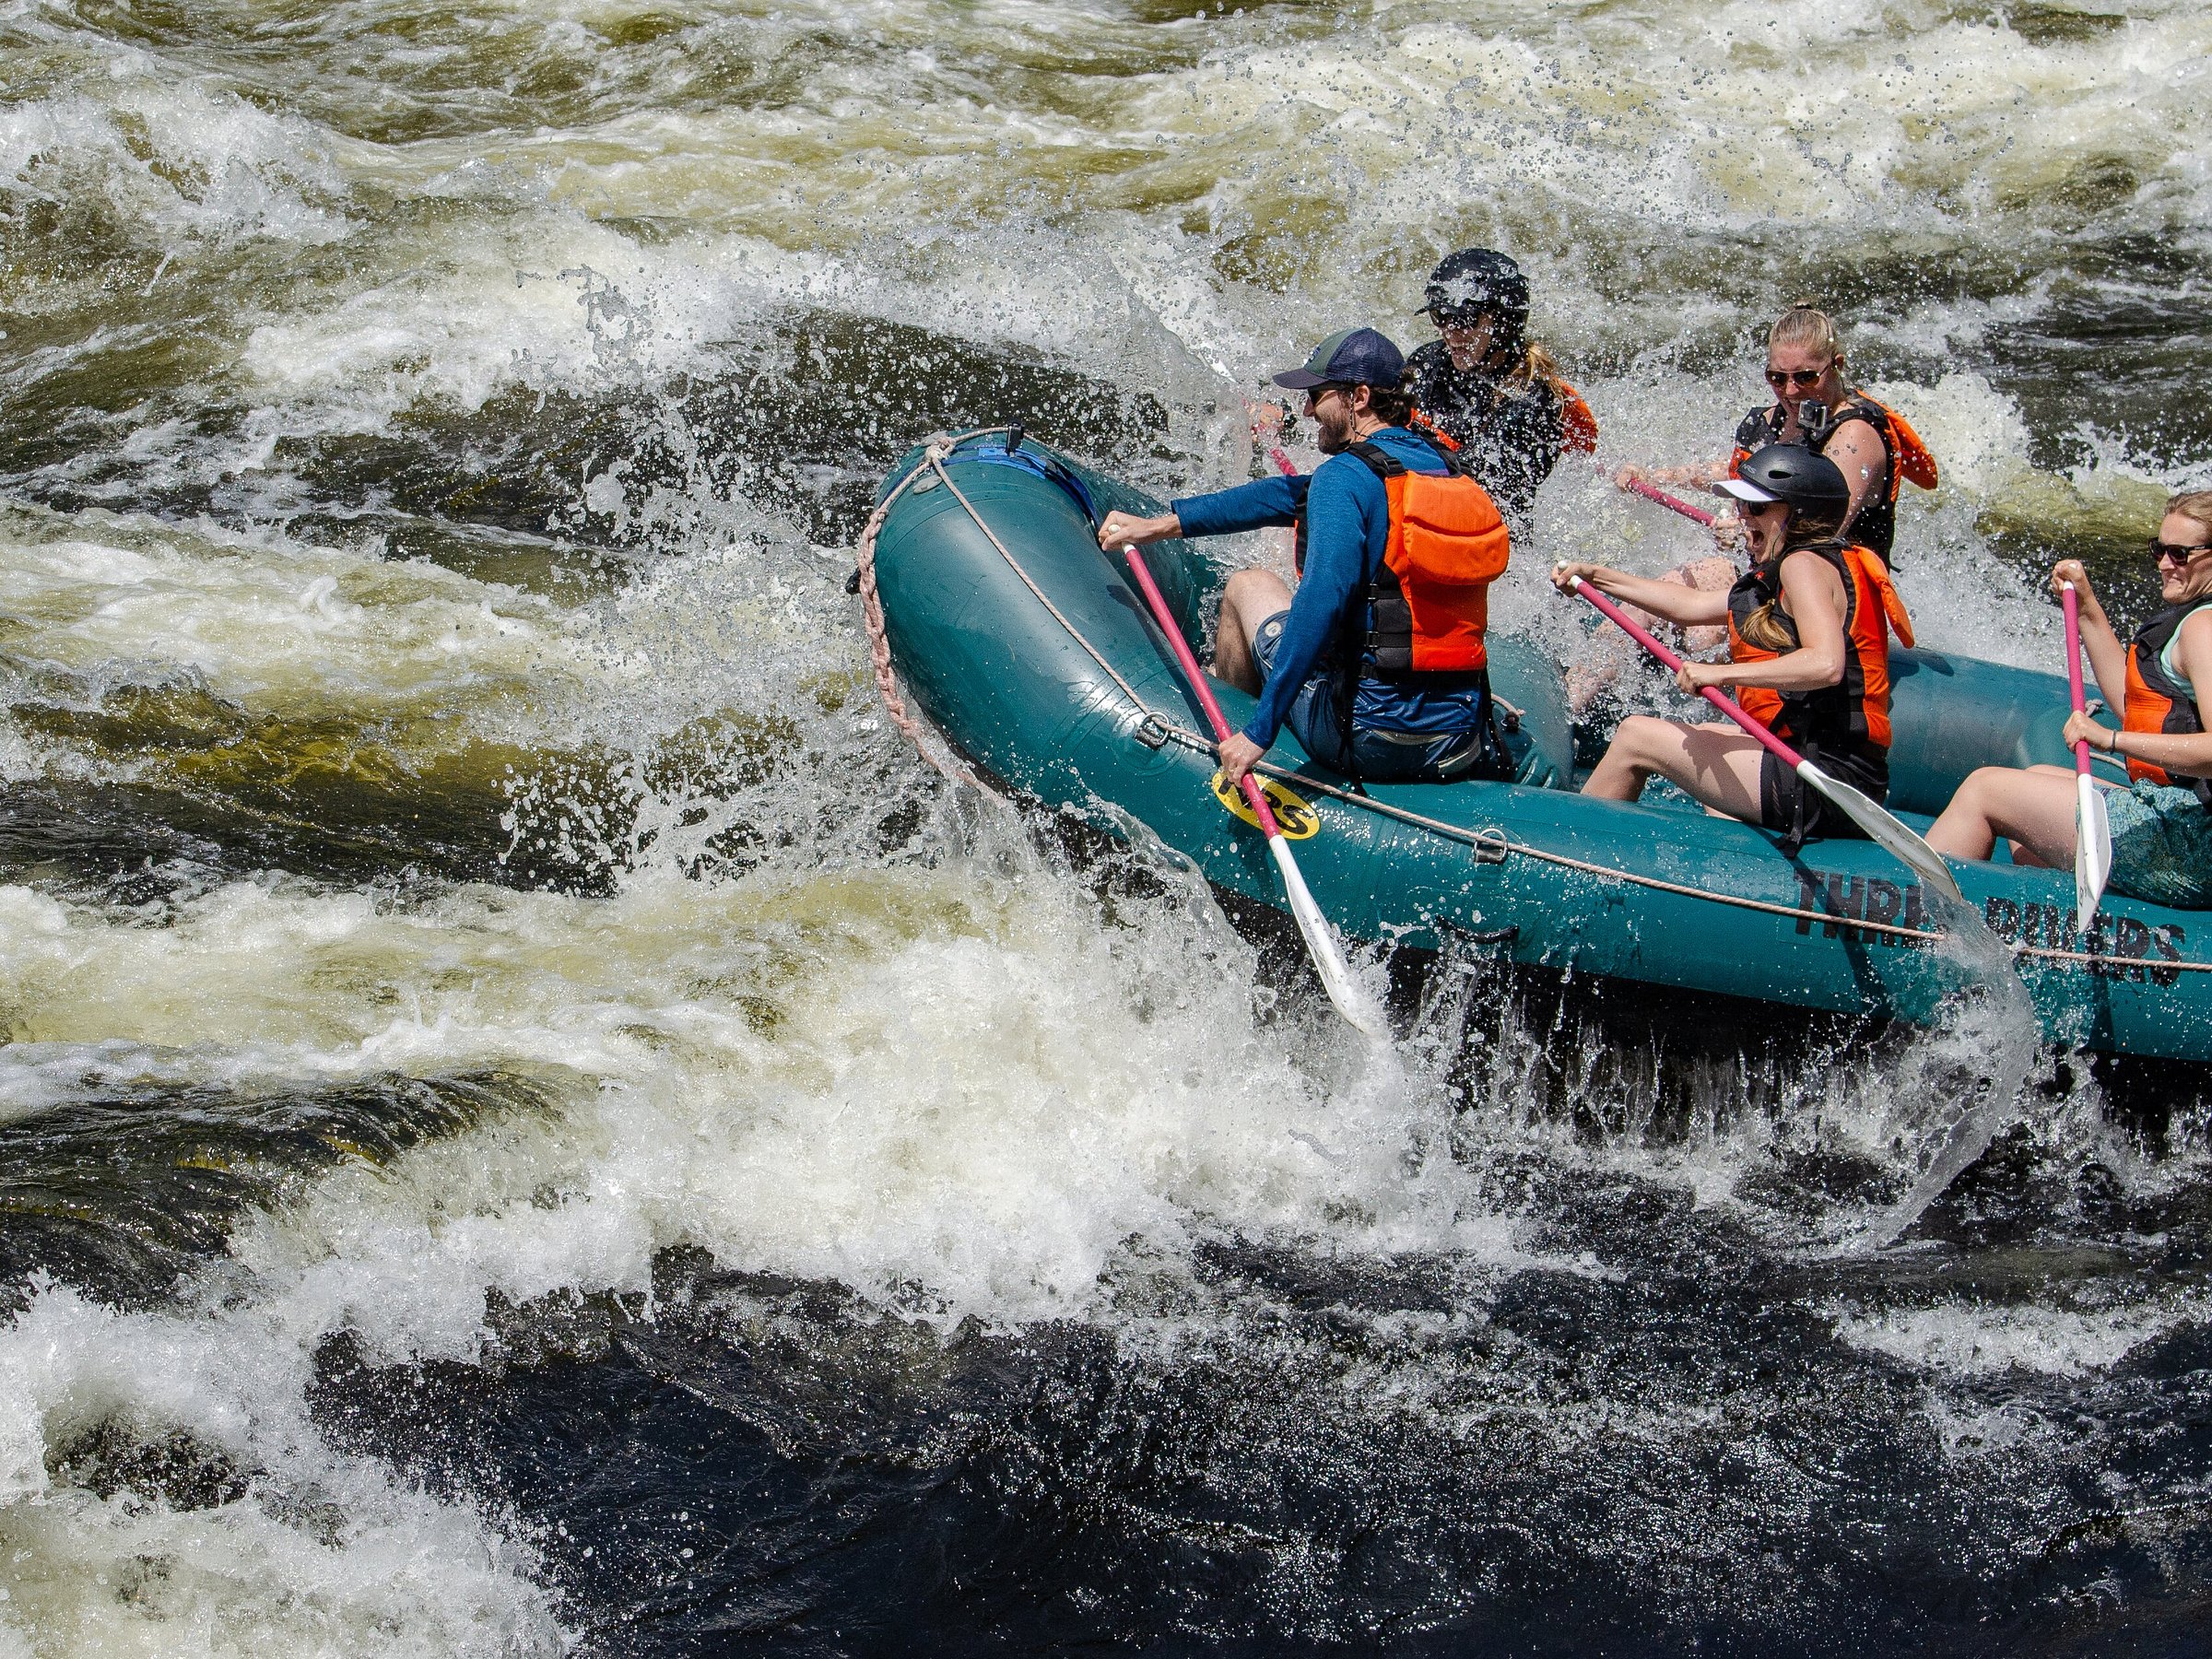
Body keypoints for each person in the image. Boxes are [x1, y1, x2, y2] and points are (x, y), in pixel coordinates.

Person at [1097, 326, 1515, 788]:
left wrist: (1260, 733)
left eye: (1317, 396)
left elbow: (1322, 600)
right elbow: (1284, 494)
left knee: (1247, 586)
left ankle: (1231, 724)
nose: (1307, 410)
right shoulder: (1446, 470)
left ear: (1358, 397)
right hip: (1458, 735)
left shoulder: (1345, 478)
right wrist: (1161, 525)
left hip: (1368, 736)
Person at [1550, 445, 1913, 843]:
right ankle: (1736, 866)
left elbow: (1826, 664)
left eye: (1756, 508)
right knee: (1707, 731)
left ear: (1799, 516)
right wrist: (1594, 575)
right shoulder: (1792, 569)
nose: (1742, 516)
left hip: (1826, 779)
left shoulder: (1803, 564)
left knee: (1637, 734)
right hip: (1832, 768)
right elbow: (1688, 605)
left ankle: (1570, 850)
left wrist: (1722, 673)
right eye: (1742, 505)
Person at [1924, 492, 2212, 908]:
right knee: (2037, 776)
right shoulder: (2196, 620)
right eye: (2160, 549)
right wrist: (2087, 606)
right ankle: (2042, 942)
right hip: (2184, 818)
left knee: (1985, 790)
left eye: (2180, 554)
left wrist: (2112, 741)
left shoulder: (2204, 629)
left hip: (2193, 843)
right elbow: (2138, 709)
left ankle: (1917, 928)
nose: (2165, 564)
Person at [1615, 301, 1937, 566]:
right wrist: (1656, 477)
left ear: (1836, 365)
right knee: (1644, 610)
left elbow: (1825, 529)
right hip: (1770, 577)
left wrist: (1745, 531)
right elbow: (1745, 473)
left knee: (1700, 616)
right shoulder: (1772, 420)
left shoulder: (1856, 435)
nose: (1791, 390)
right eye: (1777, 378)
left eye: (1806, 377)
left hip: (1830, 593)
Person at [1404, 249, 1597, 531]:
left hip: (1487, 541)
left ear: (1504, 322)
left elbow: (1472, 485)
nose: (1450, 331)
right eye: (1440, 315)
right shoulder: (1429, 363)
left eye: (1464, 319)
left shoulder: (1534, 403)